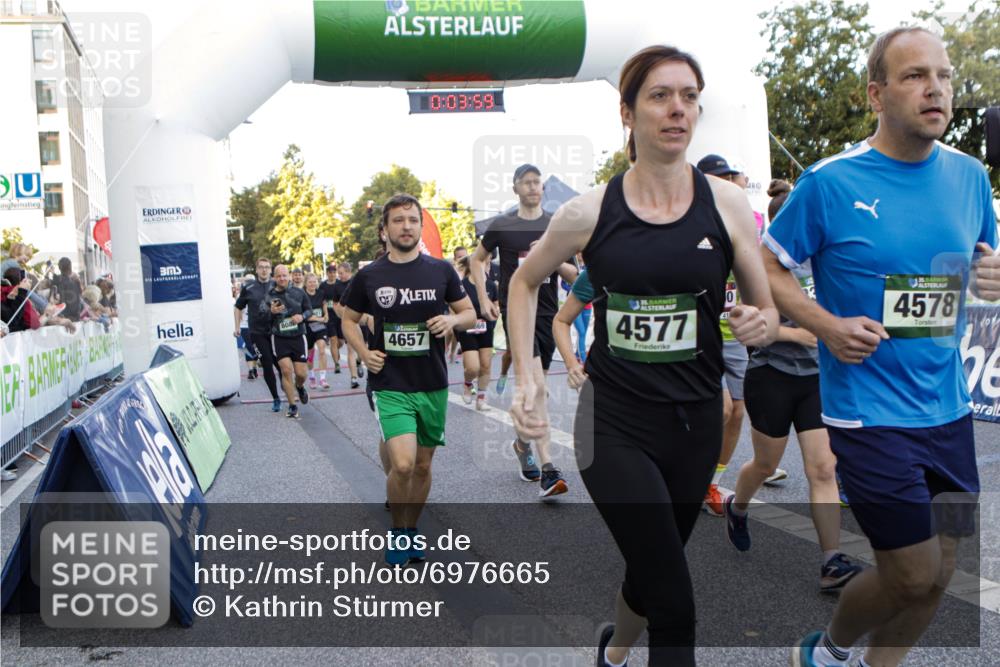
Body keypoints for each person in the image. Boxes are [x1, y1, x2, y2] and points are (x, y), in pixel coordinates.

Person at [506, 46, 778, 666]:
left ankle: (614, 651)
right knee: (677, 605)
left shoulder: (728, 204)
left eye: (688, 96)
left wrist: (760, 323)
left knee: (655, 565)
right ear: (627, 113)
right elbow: (524, 284)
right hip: (614, 424)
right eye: (660, 96)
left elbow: (765, 313)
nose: (677, 108)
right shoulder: (588, 212)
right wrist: (529, 379)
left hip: (695, 423)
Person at [761, 28, 1000, 667]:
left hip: (948, 410)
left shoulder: (972, 178)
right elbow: (771, 267)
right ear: (877, 93)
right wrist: (826, 326)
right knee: (913, 571)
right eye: (916, 75)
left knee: (940, 571)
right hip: (868, 412)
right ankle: (829, 649)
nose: (937, 89)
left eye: (945, 77)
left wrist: (994, 277)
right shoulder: (829, 182)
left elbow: (984, 265)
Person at [723, 179, 864, 593]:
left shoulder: (827, 260)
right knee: (765, 464)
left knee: (823, 468)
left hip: (817, 378)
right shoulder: (758, 265)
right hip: (772, 377)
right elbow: (745, 327)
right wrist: (796, 335)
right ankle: (739, 505)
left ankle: (830, 561)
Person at [340, 193, 475, 565]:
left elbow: (469, 312)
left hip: (431, 382)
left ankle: (411, 530)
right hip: (390, 383)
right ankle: (398, 532)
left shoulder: (441, 271)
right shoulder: (370, 275)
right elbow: (347, 319)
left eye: (412, 220)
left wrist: (452, 320)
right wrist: (364, 354)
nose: (406, 226)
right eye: (398, 221)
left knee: (422, 466)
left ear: (420, 225)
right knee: (402, 464)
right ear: (384, 230)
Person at [470, 163, 578, 497]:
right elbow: (477, 260)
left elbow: (576, 276)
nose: (532, 187)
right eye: (525, 183)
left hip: (548, 314)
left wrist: (551, 258)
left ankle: (521, 444)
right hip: (516, 311)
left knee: (537, 391)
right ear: (515, 188)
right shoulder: (503, 224)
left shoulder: (555, 226)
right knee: (537, 385)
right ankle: (549, 468)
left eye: (537, 182)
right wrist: (483, 296)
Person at [696, 153, 787, 516]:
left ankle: (711, 483)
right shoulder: (689, 224)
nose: (727, 184)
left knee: (736, 412)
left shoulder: (743, 223)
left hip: (733, 335)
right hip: (699, 335)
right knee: (718, 410)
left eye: (728, 178)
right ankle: (687, 470)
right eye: (718, 178)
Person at [234, 258, 282, 411]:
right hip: (257, 332)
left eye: (267, 267)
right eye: (261, 267)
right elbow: (237, 307)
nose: (264, 270)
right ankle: (276, 398)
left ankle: (292, 389)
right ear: (256, 269)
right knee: (267, 363)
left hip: (276, 330)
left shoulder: (277, 285)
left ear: (271, 269)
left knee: (282, 364)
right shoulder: (248, 287)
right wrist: (237, 327)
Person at [266, 265, 311, 419]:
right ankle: (292, 405)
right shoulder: (269, 295)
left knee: (301, 373)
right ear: (274, 277)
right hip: (280, 338)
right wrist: (270, 312)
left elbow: (309, 309)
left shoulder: (299, 292)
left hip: (298, 337)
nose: (282, 278)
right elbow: (262, 315)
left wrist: (302, 317)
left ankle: (299, 386)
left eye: (284, 275)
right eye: (279, 276)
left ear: (289, 276)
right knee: (286, 371)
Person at [454, 254, 497, 411]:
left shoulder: (491, 285)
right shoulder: (462, 285)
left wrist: (494, 311)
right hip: (468, 328)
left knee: (485, 366)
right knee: (473, 367)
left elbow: (496, 306)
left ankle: (481, 398)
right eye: (482, 264)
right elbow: (455, 307)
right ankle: (467, 384)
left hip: (486, 328)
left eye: (486, 264)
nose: (485, 267)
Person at [552, 267, 595, 390]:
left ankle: (578, 354)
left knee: (584, 332)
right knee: (581, 333)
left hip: (588, 307)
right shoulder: (595, 268)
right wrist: (572, 365)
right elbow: (561, 321)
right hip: (576, 305)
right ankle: (583, 361)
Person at [330, 262, 365, 389]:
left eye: (341, 273)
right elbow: (334, 303)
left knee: (362, 347)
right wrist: (339, 313)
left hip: (361, 318)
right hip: (347, 320)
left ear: (349, 272)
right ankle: (353, 378)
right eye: (338, 274)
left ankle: (359, 361)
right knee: (351, 348)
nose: (339, 276)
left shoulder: (357, 281)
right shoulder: (337, 285)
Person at [303, 273, 331, 390]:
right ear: (306, 283)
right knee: (310, 354)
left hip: (320, 327)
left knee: (322, 349)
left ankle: (323, 379)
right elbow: (306, 316)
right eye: (310, 282)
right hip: (308, 327)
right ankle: (312, 377)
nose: (312, 284)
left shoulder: (320, 293)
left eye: (314, 282)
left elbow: (324, 305)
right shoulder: (303, 295)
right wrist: (319, 318)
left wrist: (326, 315)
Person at [322, 264, 344, 375]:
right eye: (330, 272)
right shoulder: (323, 285)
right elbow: (322, 301)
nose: (332, 274)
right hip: (330, 316)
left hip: (340, 316)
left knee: (341, 342)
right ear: (327, 273)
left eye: (333, 272)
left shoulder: (340, 284)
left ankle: (335, 351)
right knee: (334, 340)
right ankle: (336, 364)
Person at [49, 257, 84, 322]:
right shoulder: (74, 283)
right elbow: (77, 303)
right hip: (72, 318)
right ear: (70, 267)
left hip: (58, 317)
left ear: (59, 268)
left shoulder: (54, 283)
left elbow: (51, 300)